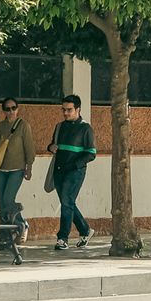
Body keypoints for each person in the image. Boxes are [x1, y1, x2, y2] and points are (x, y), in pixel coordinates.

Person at [0, 96, 35, 242]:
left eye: (13, 108)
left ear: (18, 109)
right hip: (0, 170)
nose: (10, 112)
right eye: (7, 109)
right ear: (3, 110)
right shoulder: (1, 126)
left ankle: (22, 224)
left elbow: (29, 148)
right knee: (2, 203)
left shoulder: (24, 125)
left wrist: (29, 167)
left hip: (17, 169)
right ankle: (5, 234)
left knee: (8, 199)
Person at [47, 93, 96, 250]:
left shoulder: (86, 128)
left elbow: (91, 153)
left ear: (78, 109)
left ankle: (62, 238)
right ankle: (85, 230)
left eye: (69, 110)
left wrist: (75, 165)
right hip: (59, 170)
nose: (66, 113)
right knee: (67, 203)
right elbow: (52, 145)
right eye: (64, 110)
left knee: (67, 202)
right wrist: (50, 148)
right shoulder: (60, 126)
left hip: (75, 172)